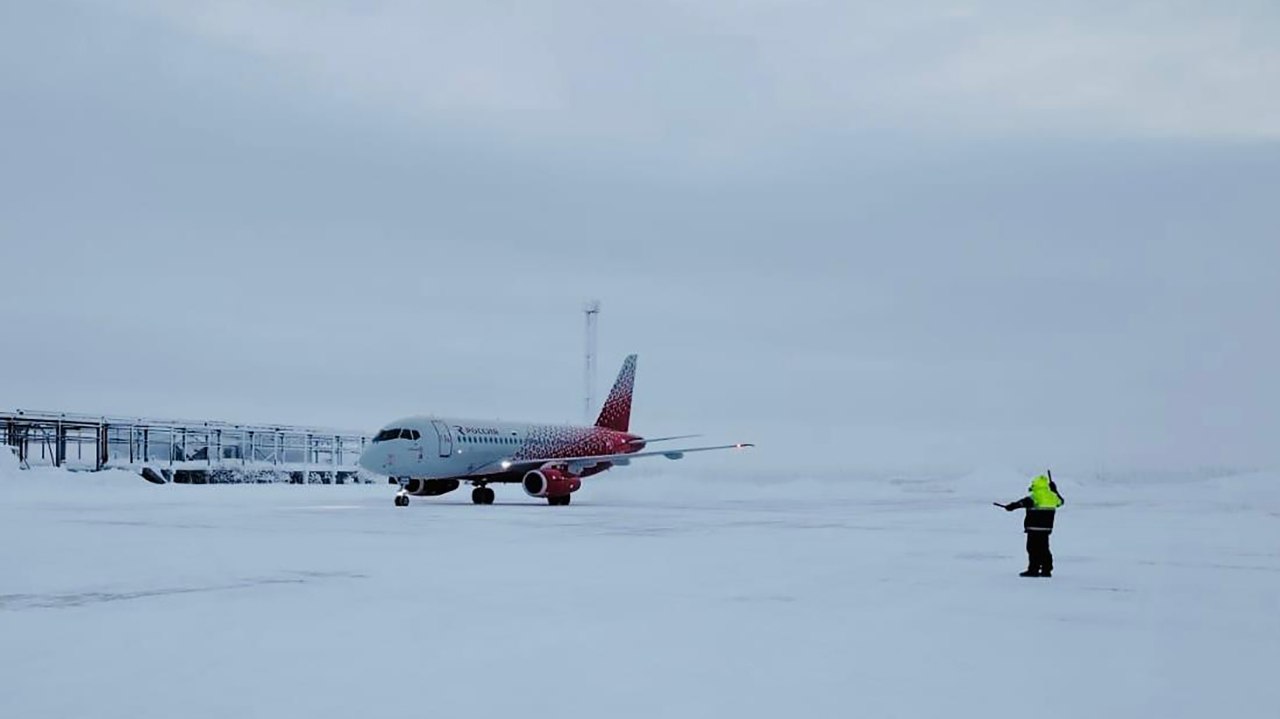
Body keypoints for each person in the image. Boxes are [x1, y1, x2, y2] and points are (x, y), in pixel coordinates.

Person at [998, 473, 1065, 577]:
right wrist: (1055, 491)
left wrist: (1011, 506)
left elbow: (1024, 503)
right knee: (1044, 548)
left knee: (1032, 548)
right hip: (1046, 529)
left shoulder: (1035, 496)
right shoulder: (1052, 496)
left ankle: (1033, 569)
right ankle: (1046, 570)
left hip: (1034, 528)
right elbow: (1061, 502)